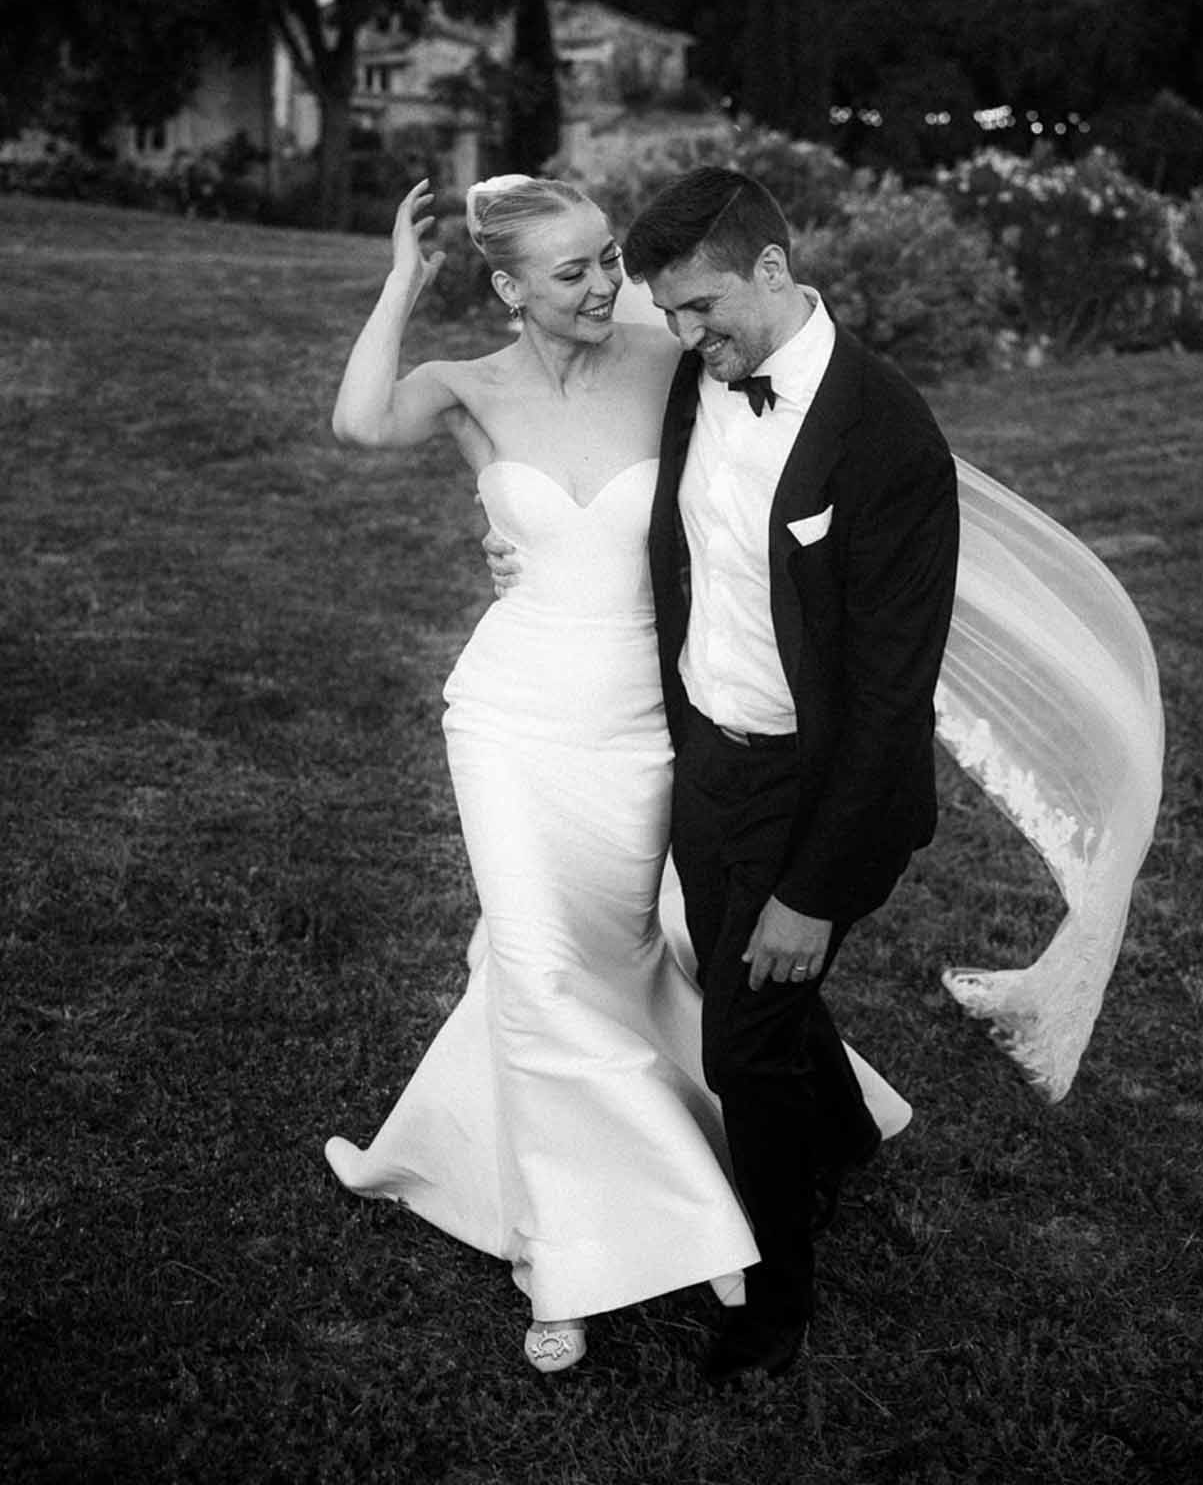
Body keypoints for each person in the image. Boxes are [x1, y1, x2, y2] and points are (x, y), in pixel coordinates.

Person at [322, 173, 913, 1377]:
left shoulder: (668, 353)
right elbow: (357, 422)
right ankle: (573, 1252)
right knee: (536, 968)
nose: (606, 285)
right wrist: (398, 284)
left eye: (607, 259)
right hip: (507, 717)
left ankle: (765, 1123)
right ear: (505, 287)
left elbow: (774, 388)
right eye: (573, 269)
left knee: (628, 956)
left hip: (646, 726)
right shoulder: (465, 390)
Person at [611, 167, 960, 1382]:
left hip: (814, 785)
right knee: (732, 964)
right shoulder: (689, 379)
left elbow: (886, 697)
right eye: (666, 312)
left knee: (743, 1039)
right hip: (708, 750)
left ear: (773, 266)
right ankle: (848, 1129)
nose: (683, 334)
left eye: (701, 305)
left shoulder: (889, 434)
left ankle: (772, 1295)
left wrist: (812, 890)